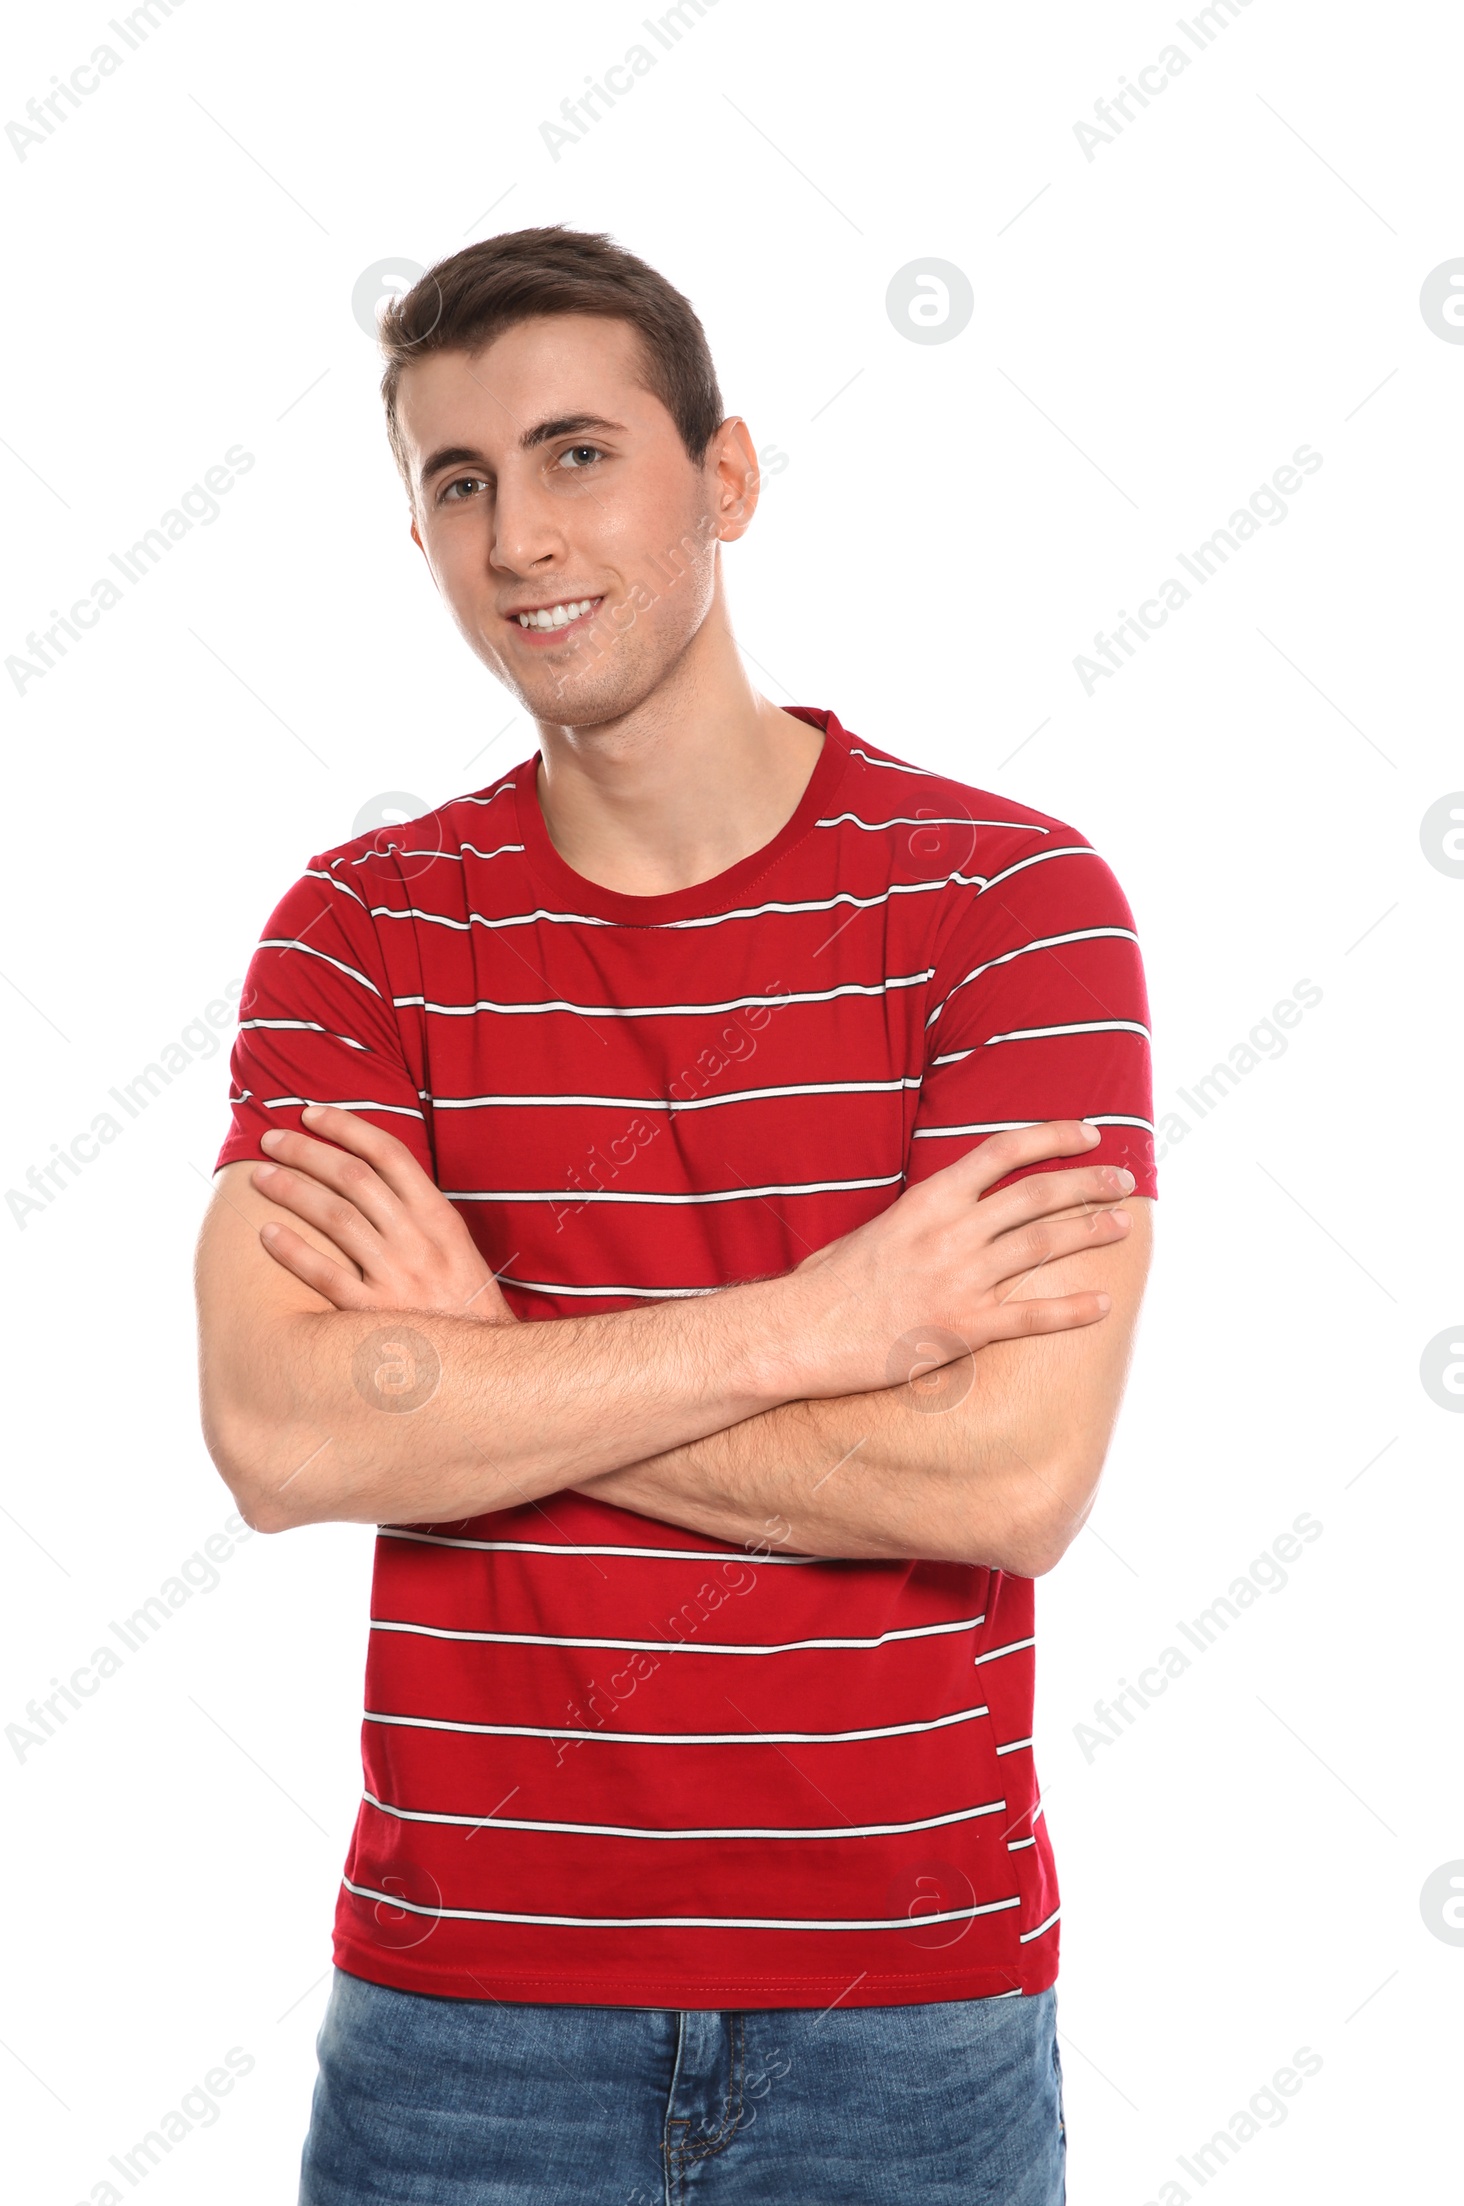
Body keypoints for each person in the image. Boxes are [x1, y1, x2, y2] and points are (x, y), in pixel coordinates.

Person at [194, 224, 1155, 2204]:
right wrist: (827, 1321)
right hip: (466, 2015)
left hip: (905, 2010)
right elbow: (288, 1430)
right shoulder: (361, 934)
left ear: (719, 477)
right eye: (454, 483)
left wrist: (479, 1363)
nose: (516, 535)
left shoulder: (1007, 905)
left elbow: (1004, 1478)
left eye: (571, 454)